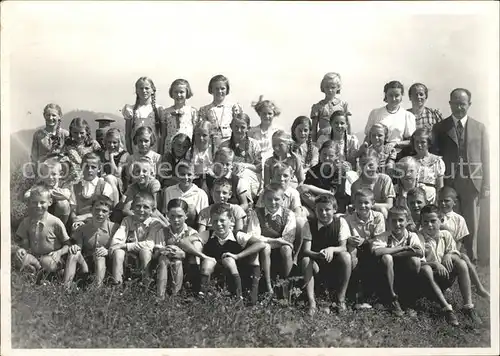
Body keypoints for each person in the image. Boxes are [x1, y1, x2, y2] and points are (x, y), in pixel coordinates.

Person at [431, 88, 489, 264]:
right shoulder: (440, 127)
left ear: (469, 105)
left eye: (462, 104)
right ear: (450, 104)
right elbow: (435, 154)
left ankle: (471, 256)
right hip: (449, 180)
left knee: (472, 221)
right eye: (455, 103)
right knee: (450, 219)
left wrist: (486, 184)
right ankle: (451, 255)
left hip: (472, 180)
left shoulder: (479, 127)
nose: (459, 107)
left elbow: (486, 158)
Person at [186, 203, 266, 305]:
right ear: (210, 221)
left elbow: (261, 244)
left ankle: (239, 297)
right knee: (207, 262)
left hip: (235, 268)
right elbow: (183, 242)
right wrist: (203, 256)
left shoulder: (237, 235)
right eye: (215, 221)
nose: (218, 224)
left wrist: (238, 256)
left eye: (222, 220)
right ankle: (202, 296)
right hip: (214, 268)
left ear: (231, 220)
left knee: (230, 260)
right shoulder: (208, 234)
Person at [418, 205, 482, 325]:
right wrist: (435, 264)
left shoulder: (445, 235)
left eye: (433, 221)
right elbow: (419, 263)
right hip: (427, 279)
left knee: (461, 262)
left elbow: (454, 252)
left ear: (441, 221)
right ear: (421, 222)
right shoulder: (419, 237)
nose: (429, 225)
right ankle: (447, 309)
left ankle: (468, 306)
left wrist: (449, 255)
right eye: (425, 222)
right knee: (426, 269)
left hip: (445, 277)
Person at [301, 195, 352, 315]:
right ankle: (312, 302)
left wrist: (332, 249)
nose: (323, 213)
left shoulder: (340, 222)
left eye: (327, 210)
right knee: (305, 260)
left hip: (335, 264)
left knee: (346, 256)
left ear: (334, 210)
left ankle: (341, 299)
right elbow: (306, 250)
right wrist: (318, 255)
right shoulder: (309, 224)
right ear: (315, 210)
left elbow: (343, 247)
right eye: (320, 210)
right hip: (317, 263)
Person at [370, 207, 425, 317]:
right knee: (386, 258)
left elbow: (419, 252)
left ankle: (408, 300)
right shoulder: (384, 236)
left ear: (407, 221)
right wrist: (402, 249)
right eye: (393, 220)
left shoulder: (411, 236)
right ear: (388, 221)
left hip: (405, 274)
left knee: (415, 261)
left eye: (400, 220)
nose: (397, 224)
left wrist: (392, 253)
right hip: (386, 274)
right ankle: (392, 298)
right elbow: (377, 252)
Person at [437, 187, 490, 299]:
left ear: (454, 202)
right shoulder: (434, 216)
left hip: (451, 253)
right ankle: (478, 288)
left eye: (446, 201)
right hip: (436, 252)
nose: (443, 203)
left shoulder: (459, 219)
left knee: (464, 257)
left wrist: (450, 254)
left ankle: (479, 288)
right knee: (464, 257)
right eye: (440, 200)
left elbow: (459, 243)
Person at [247, 183, 297, 296]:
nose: (273, 203)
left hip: (282, 251)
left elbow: (288, 239)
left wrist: (273, 242)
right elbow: (253, 235)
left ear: (283, 199)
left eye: (277, 199)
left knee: (286, 248)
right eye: (269, 199)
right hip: (263, 249)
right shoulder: (257, 213)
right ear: (264, 199)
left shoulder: (289, 214)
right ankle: (268, 286)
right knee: (265, 247)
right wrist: (275, 241)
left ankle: (287, 286)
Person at [109, 192, 167, 285]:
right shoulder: (127, 220)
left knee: (145, 251)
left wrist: (124, 245)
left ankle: (146, 284)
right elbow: (116, 242)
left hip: (151, 255)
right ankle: (117, 284)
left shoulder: (155, 223)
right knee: (118, 252)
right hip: (131, 254)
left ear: (152, 210)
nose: (141, 210)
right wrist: (118, 246)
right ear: (132, 208)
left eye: (146, 207)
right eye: (138, 206)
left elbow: (149, 244)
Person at [13, 186, 72, 277]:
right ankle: (36, 270)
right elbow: (23, 242)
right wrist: (21, 250)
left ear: (50, 202)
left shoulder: (55, 222)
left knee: (46, 262)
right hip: (34, 256)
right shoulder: (26, 222)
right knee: (20, 258)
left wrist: (59, 253)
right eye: (34, 202)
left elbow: (67, 244)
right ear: (29, 203)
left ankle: (42, 272)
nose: (38, 206)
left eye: (42, 202)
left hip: (51, 257)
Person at [344, 188, 386, 309]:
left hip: (372, 249)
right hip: (355, 250)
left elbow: (379, 239)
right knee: (352, 251)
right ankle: (355, 295)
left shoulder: (378, 217)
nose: (363, 206)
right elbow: (344, 236)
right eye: (360, 203)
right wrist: (348, 240)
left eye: (366, 203)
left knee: (375, 254)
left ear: (372, 203)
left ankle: (374, 297)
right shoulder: (348, 219)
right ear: (354, 204)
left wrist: (365, 241)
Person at [64, 196, 119, 287]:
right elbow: (79, 246)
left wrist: (108, 250)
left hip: (106, 262)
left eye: (104, 211)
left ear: (109, 214)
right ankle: (66, 287)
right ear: (91, 210)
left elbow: (118, 246)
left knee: (100, 255)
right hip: (86, 264)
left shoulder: (114, 228)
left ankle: (97, 289)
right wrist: (76, 247)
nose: (100, 213)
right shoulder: (82, 228)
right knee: (74, 253)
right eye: (97, 210)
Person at [153, 199, 201, 299]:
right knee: (163, 259)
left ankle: (176, 295)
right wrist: (164, 251)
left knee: (178, 262)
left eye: (180, 216)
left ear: (186, 215)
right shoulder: (162, 232)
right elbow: (155, 254)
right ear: (167, 215)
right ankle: (160, 296)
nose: (176, 220)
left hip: (186, 268)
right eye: (172, 216)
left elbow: (196, 257)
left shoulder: (192, 233)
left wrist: (183, 254)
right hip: (164, 266)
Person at [299, 140, 357, 216]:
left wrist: (310, 187)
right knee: (303, 195)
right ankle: (318, 211)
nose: (326, 158)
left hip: (334, 205)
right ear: (319, 154)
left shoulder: (339, 171)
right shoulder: (312, 171)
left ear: (336, 156)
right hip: (317, 202)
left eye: (331, 156)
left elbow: (332, 193)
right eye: (324, 154)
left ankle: (321, 211)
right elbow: (306, 191)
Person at [364, 80, 416, 151]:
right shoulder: (375, 113)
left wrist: (395, 144)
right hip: (376, 153)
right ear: (386, 95)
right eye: (390, 95)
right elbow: (368, 137)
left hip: (398, 154)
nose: (393, 99)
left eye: (397, 95)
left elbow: (411, 141)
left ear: (401, 96)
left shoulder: (407, 115)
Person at [220, 113, 262, 199]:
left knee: (243, 176)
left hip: (249, 179)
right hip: (229, 178)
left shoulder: (254, 144)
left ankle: (246, 203)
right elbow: (219, 166)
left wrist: (244, 166)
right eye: (236, 126)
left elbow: (259, 167)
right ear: (231, 126)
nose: (239, 130)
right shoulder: (224, 145)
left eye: (242, 127)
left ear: (248, 128)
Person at [69, 153, 115, 230]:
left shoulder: (105, 186)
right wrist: (75, 220)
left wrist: (85, 217)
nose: (89, 170)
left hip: (99, 221)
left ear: (99, 168)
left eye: (93, 167)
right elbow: (73, 210)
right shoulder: (75, 187)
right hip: (79, 223)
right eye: (86, 167)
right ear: (81, 167)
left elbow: (104, 211)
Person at [122, 76, 165, 153]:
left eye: (147, 88)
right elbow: (127, 135)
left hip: (154, 151)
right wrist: (130, 153)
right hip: (136, 150)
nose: (144, 91)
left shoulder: (158, 110)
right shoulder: (131, 110)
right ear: (136, 91)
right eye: (141, 88)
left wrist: (161, 153)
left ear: (152, 90)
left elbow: (162, 135)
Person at [198, 74, 242, 148]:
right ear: (211, 89)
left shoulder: (234, 107)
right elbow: (203, 130)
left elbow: (239, 125)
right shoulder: (205, 109)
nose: (219, 91)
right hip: (211, 144)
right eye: (216, 88)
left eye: (222, 88)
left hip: (230, 143)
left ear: (227, 89)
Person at [24, 158, 72, 226]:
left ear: (60, 174)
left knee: (63, 203)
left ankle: (59, 227)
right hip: (44, 211)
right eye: (46, 174)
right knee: (36, 201)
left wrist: (48, 192)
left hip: (58, 213)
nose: (50, 177)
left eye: (54, 174)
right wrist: (39, 193)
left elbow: (66, 195)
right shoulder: (41, 184)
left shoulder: (63, 184)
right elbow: (26, 195)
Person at [162, 160, 209, 228]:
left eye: (189, 174)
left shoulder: (201, 194)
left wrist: (198, 237)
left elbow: (203, 223)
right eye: (182, 174)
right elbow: (166, 216)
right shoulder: (169, 191)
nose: (186, 178)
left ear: (194, 175)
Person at [350, 152, 395, 219]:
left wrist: (370, 205)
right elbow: (355, 205)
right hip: (363, 214)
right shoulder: (356, 185)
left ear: (378, 164)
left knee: (382, 210)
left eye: (370, 165)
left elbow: (389, 205)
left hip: (381, 215)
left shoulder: (385, 180)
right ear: (359, 165)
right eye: (364, 164)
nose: (367, 168)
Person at [310, 72, 351, 145]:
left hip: (339, 139)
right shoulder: (317, 107)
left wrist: (349, 140)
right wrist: (313, 144)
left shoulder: (343, 105)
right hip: (323, 141)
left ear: (338, 87)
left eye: (333, 87)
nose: (330, 90)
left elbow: (348, 125)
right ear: (323, 87)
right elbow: (314, 129)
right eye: (327, 87)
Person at [161, 79, 198, 155]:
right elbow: (163, 135)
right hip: (170, 148)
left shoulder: (192, 111)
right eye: (176, 92)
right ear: (171, 93)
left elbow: (195, 134)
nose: (178, 95)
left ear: (187, 92)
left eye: (181, 92)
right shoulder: (166, 112)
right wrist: (161, 152)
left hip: (187, 148)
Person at [408, 128, 445, 204]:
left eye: (423, 142)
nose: (419, 145)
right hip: (412, 197)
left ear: (429, 143)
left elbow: (440, 186)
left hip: (429, 197)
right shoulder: (409, 160)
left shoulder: (436, 161)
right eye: (416, 142)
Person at [62, 117, 102, 186]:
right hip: (72, 177)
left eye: (82, 133)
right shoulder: (67, 145)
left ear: (87, 132)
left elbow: (99, 161)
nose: (79, 136)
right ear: (71, 132)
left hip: (89, 175)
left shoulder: (93, 144)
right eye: (75, 133)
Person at [30, 103, 69, 171]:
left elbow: (69, 156)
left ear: (59, 116)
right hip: (43, 173)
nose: (50, 118)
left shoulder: (65, 134)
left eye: (54, 115)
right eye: (48, 115)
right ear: (44, 116)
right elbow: (34, 158)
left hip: (61, 174)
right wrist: (37, 175)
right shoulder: (38, 135)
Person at [99, 128, 129, 204]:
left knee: (109, 178)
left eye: (114, 142)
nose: (111, 145)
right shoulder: (103, 154)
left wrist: (111, 158)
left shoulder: (124, 154)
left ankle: (116, 205)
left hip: (119, 183)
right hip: (105, 180)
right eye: (109, 142)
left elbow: (117, 174)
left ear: (119, 143)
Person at [248, 96, 280, 163]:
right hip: (256, 163)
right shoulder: (252, 131)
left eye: (270, 113)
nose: (267, 116)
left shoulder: (278, 131)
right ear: (259, 114)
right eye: (264, 113)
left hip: (273, 164)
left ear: (274, 114)